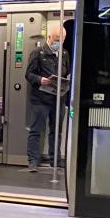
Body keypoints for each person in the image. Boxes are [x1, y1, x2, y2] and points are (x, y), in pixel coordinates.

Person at [25, 22, 70, 172]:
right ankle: (33, 161)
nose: (59, 43)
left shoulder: (64, 54)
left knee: (56, 130)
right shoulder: (38, 53)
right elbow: (29, 74)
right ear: (49, 37)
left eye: (62, 40)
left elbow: (67, 72)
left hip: (58, 98)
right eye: (56, 40)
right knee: (36, 130)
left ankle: (55, 159)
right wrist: (40, 80)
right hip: (40, 98)